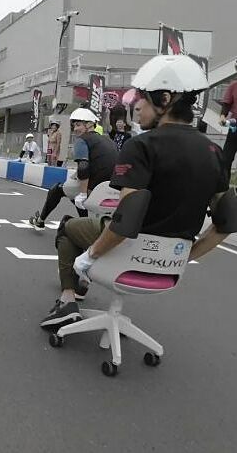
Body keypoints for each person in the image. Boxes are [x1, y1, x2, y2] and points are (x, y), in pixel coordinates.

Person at [40, 55, 232, 330]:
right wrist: (184, 255)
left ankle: (69, 298)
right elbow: (228, 222)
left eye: (143, 97)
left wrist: (90, 255)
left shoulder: (141, 146)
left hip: (130, 251)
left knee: (68, 227)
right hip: (171, 263)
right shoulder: (214, 152)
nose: (137, 105)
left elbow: (126, 221)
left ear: (164, 99)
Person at [28, 108, 118, 231]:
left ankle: (40, 221)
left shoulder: (82, 140)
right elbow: (101, 162)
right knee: (74, 190)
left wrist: (83, 193)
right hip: (113, 189)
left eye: (78, 125)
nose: (75, 129)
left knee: (57, 189)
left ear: (89, 124)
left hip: (94, 189)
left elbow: (83, 167)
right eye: (74, 125)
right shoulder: (109, 141)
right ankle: (86, 221)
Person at [218, 58, 237, 172]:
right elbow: (226, 104)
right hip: (235, 127)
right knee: (226, 158)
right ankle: (224, 181)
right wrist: (222, 116)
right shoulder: (233, 86)